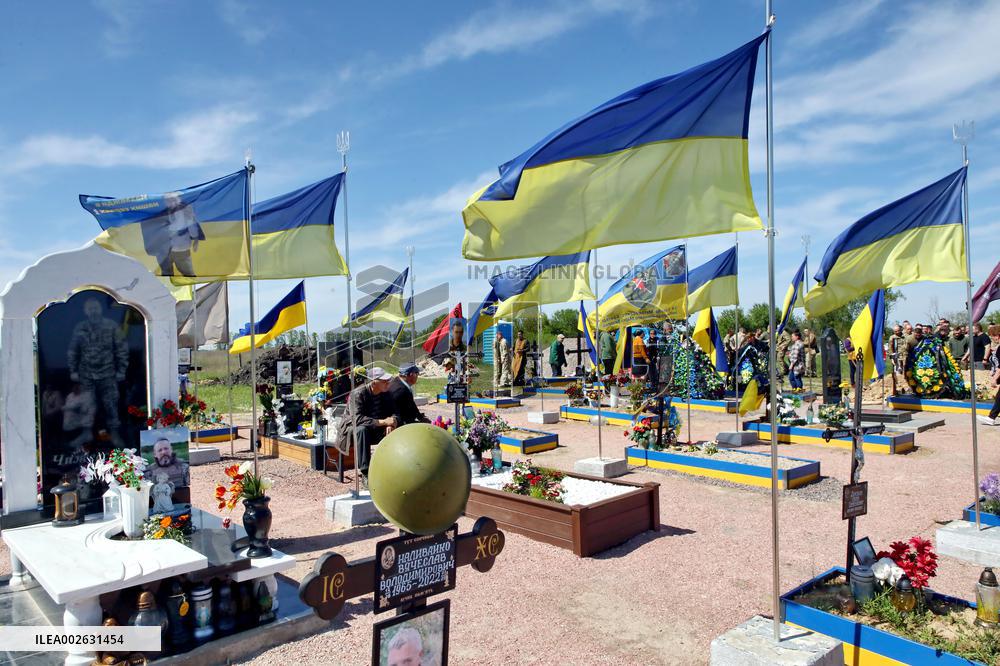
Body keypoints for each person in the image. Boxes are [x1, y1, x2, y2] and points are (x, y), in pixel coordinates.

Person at [67, 297, 129, 446]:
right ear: (86, 311)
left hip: (108, 373)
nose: (93, 311)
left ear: (100, 309)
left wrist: (122, 370)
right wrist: (73, 370)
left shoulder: (112, 326)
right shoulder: (80, 327)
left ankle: (114, 434)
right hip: (86, 373)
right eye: (90, 309)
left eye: (95, 308)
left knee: (111, 404)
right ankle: (86, 433)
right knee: (87, 405)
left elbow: (121, 349)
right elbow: (73, 350)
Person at [335, 367, 399, 485]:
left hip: (375, 428)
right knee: (361, 430)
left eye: (388, 380)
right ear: (374, 381)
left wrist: (392, 423)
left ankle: (392, 467)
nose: (387, 383)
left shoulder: (386, 394)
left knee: (397, 430)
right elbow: (357, 419)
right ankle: (365, 472)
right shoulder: (358, 394)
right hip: (351, 430)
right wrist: (383, 422)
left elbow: (395, 412)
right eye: (384, 380)